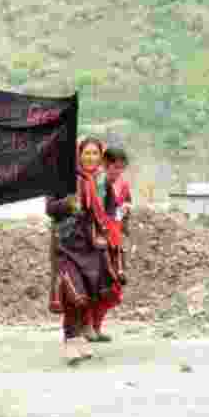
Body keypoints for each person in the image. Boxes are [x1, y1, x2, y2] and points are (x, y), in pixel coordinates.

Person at [47, 137, 124, 364]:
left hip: (92, 248)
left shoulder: (102, 182)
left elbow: (111, 210)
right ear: (79, 155)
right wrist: (68, 204)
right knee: (73, 293)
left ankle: (79, 338)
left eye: (95, 154)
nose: (91, 158)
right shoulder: (63, 178)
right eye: (86, 153)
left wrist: (111, 226)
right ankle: (70, 340)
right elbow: (50, 207)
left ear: (101, 157)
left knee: (88, 295)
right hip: (67, 245)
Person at [84, 146, 132, 342]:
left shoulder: (122, 186)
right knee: (95, 285)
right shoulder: (95, 183)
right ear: (105, 165)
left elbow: (121, 213)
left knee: (112, 287)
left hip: (114, 242)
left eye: (121, 168)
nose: (118, 172)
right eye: (115, 167)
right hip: (96, 241)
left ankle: (97, 326)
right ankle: (88, 326)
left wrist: (124, 213)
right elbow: (93, 214)